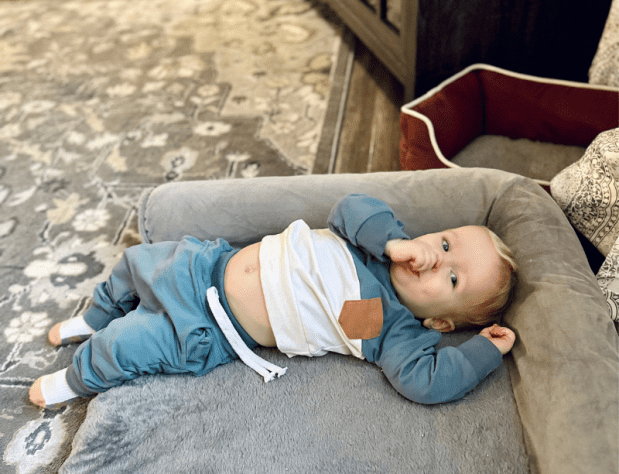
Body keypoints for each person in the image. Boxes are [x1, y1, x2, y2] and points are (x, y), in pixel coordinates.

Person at [29, 193, 517, 408]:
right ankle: (95, 316)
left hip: (210, 328)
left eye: (452, 280)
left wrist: (485, 352)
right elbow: (349, 206)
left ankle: (77, 377)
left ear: (442, 325)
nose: (434, 260)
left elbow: (428, 383)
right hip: (204, 265)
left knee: (128, 346)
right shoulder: (377, 239)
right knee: (134, 262)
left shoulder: (394, 329)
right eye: (446, 245)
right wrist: (394, 244)